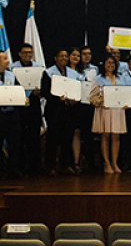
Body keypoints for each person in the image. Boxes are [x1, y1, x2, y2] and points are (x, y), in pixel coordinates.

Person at [41, 48, 81, 176]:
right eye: (61, 56)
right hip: (54, 111)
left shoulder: (73, 73)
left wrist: (75, 99)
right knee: (52, 140)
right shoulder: (48, 72)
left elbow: (78, 90)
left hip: (69, 111)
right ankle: (50, 166)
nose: (64, 58)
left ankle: (65, 165)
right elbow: (45, 92)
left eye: (66, 56)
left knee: (67, 139)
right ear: (55, 58)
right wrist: (58, 98)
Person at [90, 55, 127, 174]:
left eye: (113, 63)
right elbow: (92, 97)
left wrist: (127, 103)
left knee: (116, 137)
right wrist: (100, 101)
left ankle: (114, 162)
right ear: (103, 64)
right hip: (105, 110)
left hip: (118, 110)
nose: (110, 65)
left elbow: (127, 93)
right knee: (105, 136)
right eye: (108, 63)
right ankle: (106, 162)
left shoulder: (121, 78)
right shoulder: (98, 79)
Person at [10, 43, 42, 175]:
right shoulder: (12, 69)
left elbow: (44, 87)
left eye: (30, 52)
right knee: (19, 137)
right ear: (19, 54)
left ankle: (34, 167)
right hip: (18, 105)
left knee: (34, 137)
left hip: (34, 104)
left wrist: (39, 91)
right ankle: (19, 167)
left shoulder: (38, 68)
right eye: (25, 52)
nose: (28, 55)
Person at [0, 51, 23, 179]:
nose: (7, 60)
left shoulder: (11, 75)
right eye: (4, 58)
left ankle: (14, 169)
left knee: (15, 143)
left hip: (11, 115)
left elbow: (18, 90)